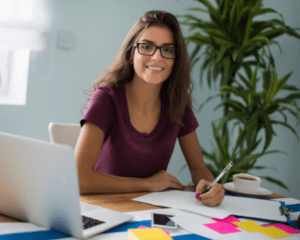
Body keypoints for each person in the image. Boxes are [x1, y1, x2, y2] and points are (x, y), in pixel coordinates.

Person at [75, 10, 224, 207]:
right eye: (147, 47)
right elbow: (78, 178)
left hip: (149, 211)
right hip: (104, 208)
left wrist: (210, 185)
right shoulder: (106, 99)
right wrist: (147, 184)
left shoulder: (178, 105)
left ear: (175, 60)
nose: (157, 57)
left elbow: (198, 168)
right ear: (131, 53)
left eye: (168, 50)